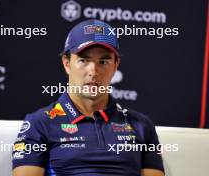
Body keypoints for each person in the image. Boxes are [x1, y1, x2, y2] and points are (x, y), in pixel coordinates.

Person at [12, 19, 165, 176]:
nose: (93, 71)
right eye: (83, 60)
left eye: (103, 61)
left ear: (116, 65)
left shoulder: (142, 126)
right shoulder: (40, 124)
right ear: (66, 63)